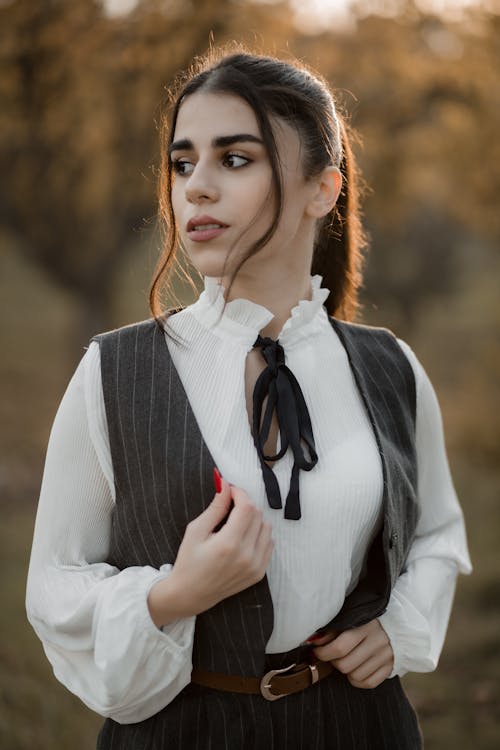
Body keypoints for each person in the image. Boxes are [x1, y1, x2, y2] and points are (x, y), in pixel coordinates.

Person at [26, 49, 472, 749]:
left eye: (235, 159)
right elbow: (54, 584)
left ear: (322, 189)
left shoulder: (390, 367)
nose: (196, 188)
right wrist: (176, 594)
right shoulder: (112, 371)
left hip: (358, 726)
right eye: (182, 163)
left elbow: (438, 536)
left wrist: (401, 626)